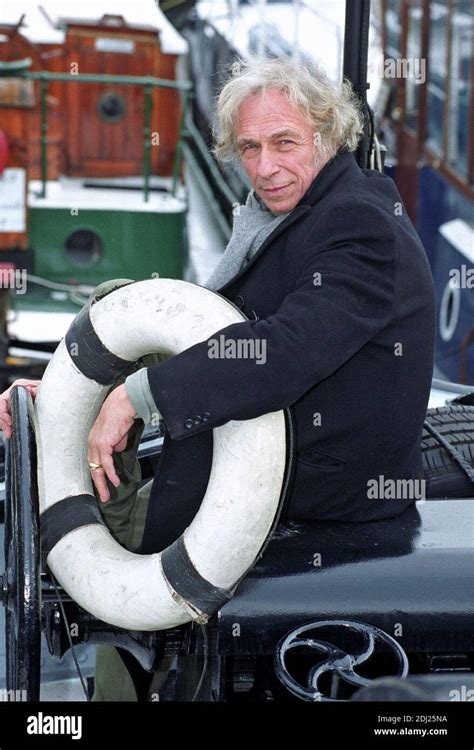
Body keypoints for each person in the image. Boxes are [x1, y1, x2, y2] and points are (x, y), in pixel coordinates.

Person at [0, 57, 435, 700]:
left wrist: (139, 396)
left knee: (119, 556)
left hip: (307, 499)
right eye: (251, 148)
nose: (265, 168)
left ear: (327, 136)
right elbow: (211, 336)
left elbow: (281, 350)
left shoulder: (359, 225)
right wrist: (70, 393)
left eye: (284, 143)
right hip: (245, 465)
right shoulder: (298, 213)